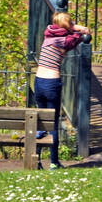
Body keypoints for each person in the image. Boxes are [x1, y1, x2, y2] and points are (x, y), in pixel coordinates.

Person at [34, 11, 90, 169]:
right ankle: (53, 162)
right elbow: (81, 34)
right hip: (52, 83)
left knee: (41, 123)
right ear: (67, 26)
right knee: (53, 124)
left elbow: (67, 28)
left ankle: (36, 159)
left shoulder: (48, 34)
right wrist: (82, 28)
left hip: (38, 81)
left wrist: (69, 25)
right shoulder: (65, 41)